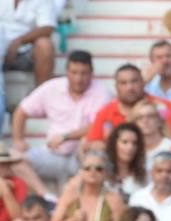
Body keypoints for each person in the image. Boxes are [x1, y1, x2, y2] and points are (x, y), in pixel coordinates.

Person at [10, 50, 110, 188]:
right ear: (67, 72)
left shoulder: (102, 93)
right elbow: (21, 111)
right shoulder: (52, 87)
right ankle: (45, 195)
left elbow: (97, 126)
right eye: (74, 72)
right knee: (11, 157)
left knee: (90, 144)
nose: (79, 78)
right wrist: (18, 140)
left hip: (81, 157)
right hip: (52, 154)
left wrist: (65, 137)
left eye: (84, 73)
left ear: (91, 74)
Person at [89, 64, 171, 146]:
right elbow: (93, 142)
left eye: (134, 81)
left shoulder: (162, 107)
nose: (130, 87)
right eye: (123, 83)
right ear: (116, 87)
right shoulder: (106, 113)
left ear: (143, 82)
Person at [54, 150, 126, 221]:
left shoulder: (114, 200)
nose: (92, 171)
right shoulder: (70, 196)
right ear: (81, 172)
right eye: (87, 168)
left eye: (99, 169)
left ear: (105, 173)